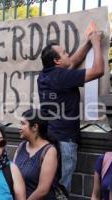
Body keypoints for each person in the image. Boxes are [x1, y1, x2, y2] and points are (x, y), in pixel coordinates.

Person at [37, 28, 105, 190]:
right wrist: (96, 43)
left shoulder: (44, 76)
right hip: (65, 141)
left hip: (51, 137)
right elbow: (98, 70)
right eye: (65, 53)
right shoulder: (62, 77)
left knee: (51, 184)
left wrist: (87, 43)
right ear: (57, 62)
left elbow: (72, 62)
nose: (68, 54)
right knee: (62, 188)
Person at [14, 109, 62, 199]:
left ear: (35, 127)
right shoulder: (21, 146)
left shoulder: (49, 151)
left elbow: (42, 190)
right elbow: (13, 175)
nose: (19, 127)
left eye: (23, 124)